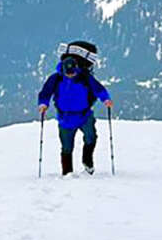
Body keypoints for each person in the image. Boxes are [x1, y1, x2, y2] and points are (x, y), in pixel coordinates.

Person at [37, 47, 110, 175]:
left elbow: (98, 88)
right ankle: (67, 173)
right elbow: (45, 92)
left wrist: (106, 99)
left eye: (73, 72)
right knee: (67, 147)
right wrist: (43, 104)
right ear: (63, 70)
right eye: (68, 73)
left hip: (84, 115)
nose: (71, 75)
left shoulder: (85, 77)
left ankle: (87, 162)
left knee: (91, 138)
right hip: (65, 117)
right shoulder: (56, 78)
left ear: (77, 68)